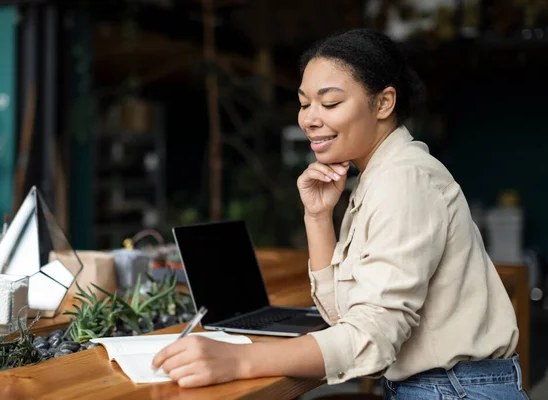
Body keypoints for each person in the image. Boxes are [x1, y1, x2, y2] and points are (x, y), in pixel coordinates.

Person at [152, 28, 526, 399]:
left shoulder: (404, 180)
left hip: (454, 391)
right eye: (304, 104)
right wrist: (317, 217)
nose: (310, 119)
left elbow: (372, 341)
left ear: (383, 103)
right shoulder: (380, 175)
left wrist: (239, 360)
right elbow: (346, 320)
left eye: (329, 104)